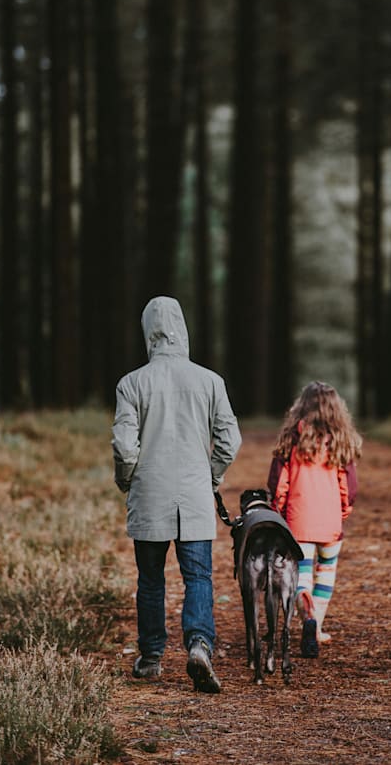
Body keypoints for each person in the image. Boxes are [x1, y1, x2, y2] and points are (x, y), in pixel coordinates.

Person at [112, 296, 241, 693]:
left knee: (150, 580)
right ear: (183, 329)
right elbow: (229, 440)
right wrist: (212, 476)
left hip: (149, 493)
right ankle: (200, 644)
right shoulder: (210, 381)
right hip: (196, 494)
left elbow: (124, 446)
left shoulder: (132, 383)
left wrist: (126, 479)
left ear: (147, 331)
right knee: (198, 576)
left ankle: (150, 658)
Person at [267, 381, 361, 658]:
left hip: (299, 522)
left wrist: (278, 510)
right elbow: (349, 486)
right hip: (331, 521)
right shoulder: (341, 441)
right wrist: (344, 510)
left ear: (301, 407)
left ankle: (305, 612)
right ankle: (317, 627)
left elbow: (278, 484)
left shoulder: (292, 441)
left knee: (302, 575)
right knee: (326, 573)